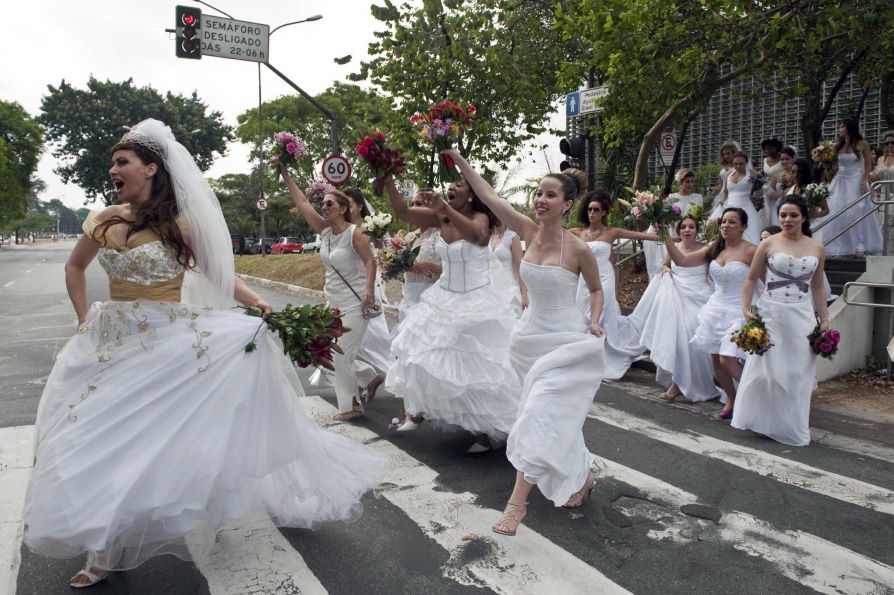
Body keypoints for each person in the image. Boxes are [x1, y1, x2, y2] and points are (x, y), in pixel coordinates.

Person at [23, 120, 384, 588]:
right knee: (94, 436)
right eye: (113, 162)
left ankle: (193, 510)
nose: (113, 169)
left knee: (171, 438)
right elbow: (75, 267)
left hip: (168, 342)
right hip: (109, 342)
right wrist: (80, 317)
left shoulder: (180, 222)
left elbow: (218, 273)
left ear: (151, 168)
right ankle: (102, 545)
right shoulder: (102, 219)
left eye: (122, 161)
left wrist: (255, 301)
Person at [443, 149, 606, 536]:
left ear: (567, 205)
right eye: (538, 193)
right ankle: (582, 477)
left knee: (539, 415)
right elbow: (490, 196)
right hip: (528, 341)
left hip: (565, 343)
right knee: (552, 417)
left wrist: (595, 321)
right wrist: (460, 159)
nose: (540, 200)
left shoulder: (579, 249)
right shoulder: (528, 232)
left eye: (550, 195)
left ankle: (517, 504)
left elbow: (597, 290)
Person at [382, 172, 520, 454]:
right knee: (428, 360)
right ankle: (423, 413)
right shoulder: (440, 217)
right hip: (442, 298)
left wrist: (444, 208)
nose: (451, 188)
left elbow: (479, 237)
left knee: (480, 369)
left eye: (458, 185)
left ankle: (487, 433)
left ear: (472, 196)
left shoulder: (480, 219)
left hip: (476, 299)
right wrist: (387, 175)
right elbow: (403, 211)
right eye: (451, 184)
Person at [278, 165, 378, 422]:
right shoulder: (324, 232)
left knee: (341, 353)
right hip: (332, 302)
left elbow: (370, 261)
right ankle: (367, 379)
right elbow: (301, 201)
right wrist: (285, 171)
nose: (324, 207)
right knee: (334, 353)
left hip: (356, 303)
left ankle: (351, 405)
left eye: (329, 204)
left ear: (343, 209)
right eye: (322, 203)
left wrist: (369, 289)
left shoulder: (356, 233)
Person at [732, 196, 829, 446]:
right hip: (771, 311)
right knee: (769, 371)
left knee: (797, 372)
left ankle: (792, 426)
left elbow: (818, 287)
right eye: (783, 215)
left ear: (803, 218)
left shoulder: (817, 248)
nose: (787, 220)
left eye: (793, 215)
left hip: (802, 314)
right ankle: (765, 420)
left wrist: (824, 318)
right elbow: (751, 278)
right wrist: (745, 307)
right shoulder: (768, 244)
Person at [664, 207, 756, 419]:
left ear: (743, 227)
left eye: (732, 222)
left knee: (728, 359)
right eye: (723, 221)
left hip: (739, 309)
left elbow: (760, 281)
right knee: (716, 360)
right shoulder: (716, 247)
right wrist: (664, 235)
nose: (725, 225)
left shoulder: (751, 251)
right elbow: (682, 261)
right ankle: (732, 399)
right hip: (716, 308)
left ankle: (757, 397)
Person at [632, 216, 718, 403]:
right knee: (677, 338)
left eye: (691, 227)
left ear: (697, 230)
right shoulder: (675, 247)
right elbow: (666, 263)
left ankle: (694, 380)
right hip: (676, 294)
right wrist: (666, 270)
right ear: (678, 231)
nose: (687, 230)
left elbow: (684, 261)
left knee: (692, 335)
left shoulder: (705, 248)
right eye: (683, 227)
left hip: (698, 295)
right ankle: (677, 383)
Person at [570, 191, 655, 381]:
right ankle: (585, 355)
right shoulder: (577, 232)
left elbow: (643, 236)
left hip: (605, 278)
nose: (592, 213)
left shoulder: (612, 232)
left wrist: (671, 238)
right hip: (585, 280)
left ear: (603, 212)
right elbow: (551, 236)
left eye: (596, 210)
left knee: (603, 314)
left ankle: (603, 355)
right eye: (590, 209)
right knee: (583, 314)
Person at [387, 191, 443, 431]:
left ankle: (418, 411)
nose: (415, 208)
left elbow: (451, 268)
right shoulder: (408, 237)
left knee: (422, 358)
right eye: (413, 204)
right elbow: (398, 265)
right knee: (403, 356)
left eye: (420, 204)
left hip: (430, 299)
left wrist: (428, 267)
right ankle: (408, 411)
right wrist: (389, 262)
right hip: (408, 298)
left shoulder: (442, 236)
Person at [823, 118, 883, 256]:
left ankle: (859, 244)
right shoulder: (837, 146)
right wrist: (823, 158)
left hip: (856, 179)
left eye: (841, 127)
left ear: (849, 128)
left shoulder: (862, 144)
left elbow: (868, 164)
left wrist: (864, 180)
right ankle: (840, 245)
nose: (839, 129)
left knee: (856, 210)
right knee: (837, 211)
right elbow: (832, 166)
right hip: (841, 179)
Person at [644, 169, 704, 279]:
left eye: (692, 181)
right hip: (673, 230)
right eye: (687, 181)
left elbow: (699, 217)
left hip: (689, 231)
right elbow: (664, 215)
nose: (690, 184)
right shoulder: (671, 197)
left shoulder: (698, 197)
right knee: (667, 259)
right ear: (681, 182)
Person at [711, 152, 763, 245]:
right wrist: (722, 200)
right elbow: (725, 191)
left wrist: (757, 200)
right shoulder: (728, 175)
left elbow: (760, 191)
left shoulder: (753, 175)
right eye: (735, 164)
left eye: (741, 164)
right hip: (728, 204)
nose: (738, 166)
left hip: (746, 205)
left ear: (746, 163)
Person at [489, 221, 528, 314]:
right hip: (491, 290)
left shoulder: (512, 237)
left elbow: (520, 269)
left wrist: (524, 295)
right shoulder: (489, 237)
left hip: (509, 290)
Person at [870, 131, 894, 250]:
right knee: (883, 225)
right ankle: (884, 251)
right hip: (884, 197)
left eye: (892, 142)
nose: (890, 145)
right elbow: (875, 176)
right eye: (887, 143)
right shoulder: (881, 160)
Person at [761, 139, 785, 225]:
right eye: (765, 149)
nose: (767, 151)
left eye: (770, 148)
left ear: (777, 148)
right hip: (766, 189)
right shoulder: (765, 160)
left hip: (780, 189)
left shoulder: (783, 159)